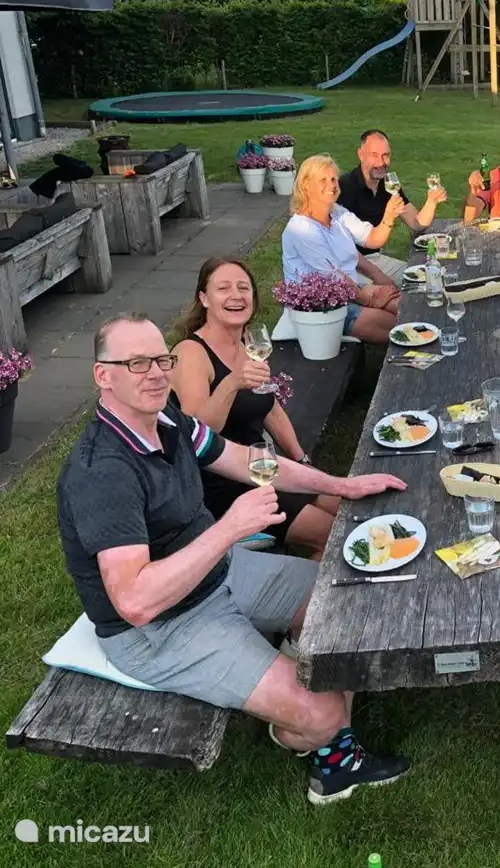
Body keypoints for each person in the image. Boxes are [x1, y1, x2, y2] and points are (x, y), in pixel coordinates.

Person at [57, 312, 411, 803]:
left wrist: (340, 485)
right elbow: (135, 602)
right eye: (136, 363)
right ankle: (329, 756)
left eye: (162, 359)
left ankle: (293, 690)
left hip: (217, 575)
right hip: (161, 627)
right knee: (327, 711)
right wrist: (230, 528)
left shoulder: (168, 421)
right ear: (104, 375)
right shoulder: (104, 473)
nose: (156, 373)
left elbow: (249, 462)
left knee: (343, 598)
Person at [171, 258, 340, 559]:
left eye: (243, 287)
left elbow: (270, 407)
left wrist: (301, 459)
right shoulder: (191, 353)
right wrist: (232, 382)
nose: (236, 295)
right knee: (331, 535)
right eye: (223, 288)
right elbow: (197, 434)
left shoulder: (249, 343)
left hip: (264, 468)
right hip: (223, 484)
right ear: (204, 299)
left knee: (345, 507)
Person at [282, 154, 399, 346]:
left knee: (404, 304)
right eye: (323, 180)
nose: (332, 184)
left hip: (352, 289)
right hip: (321, 306)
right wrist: (369, 300)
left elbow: (370, 239)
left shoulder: (336, 212)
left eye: (334, 179)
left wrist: (388, 217)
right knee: (398, 326)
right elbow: (333, 278)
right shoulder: (301, 229)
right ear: (305, 186)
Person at [337, 129, 448, 284]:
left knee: (427, 276)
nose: (381, 163)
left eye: (385, 155)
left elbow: (416, 223)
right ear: (361, 155)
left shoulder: (389, 184)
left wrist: (431, 202)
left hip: (375, 258)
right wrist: (377, 276)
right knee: (409, 286)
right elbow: (340, 248)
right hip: (350, 266)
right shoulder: (346, 187)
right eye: (374, 155)